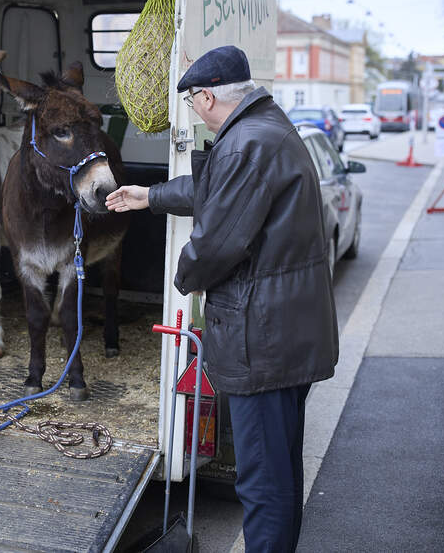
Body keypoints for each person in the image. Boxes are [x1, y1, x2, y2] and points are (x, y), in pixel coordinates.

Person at [105, 45, 337, 552]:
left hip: (264, 340)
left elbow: (215, 244)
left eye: (191, 101)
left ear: (207, 97)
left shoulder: (244, 145)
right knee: (278, 470)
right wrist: (150, 196)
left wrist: (181, 279)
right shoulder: (264, 129)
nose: (193, 110)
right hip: (285, 334)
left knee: (263, 481)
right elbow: (217, 189)